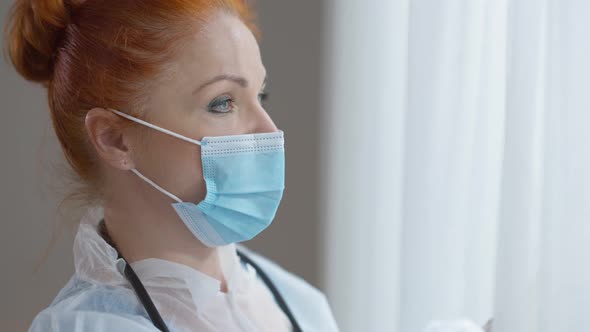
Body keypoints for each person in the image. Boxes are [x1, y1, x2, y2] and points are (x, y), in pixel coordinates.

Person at [5, 0, 339, 331]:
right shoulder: (87, 326)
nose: (269, 130)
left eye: (260, 96)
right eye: (223, 103)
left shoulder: (299, 304)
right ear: (114, 139)